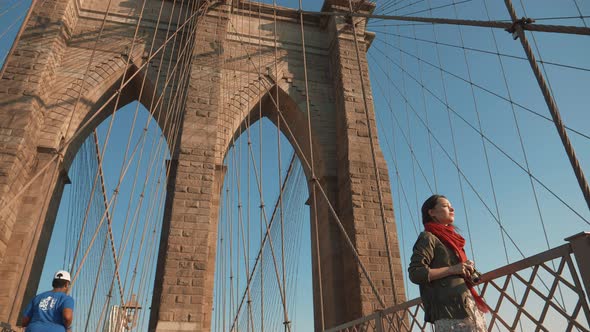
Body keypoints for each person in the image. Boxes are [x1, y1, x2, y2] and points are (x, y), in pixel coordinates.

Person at [408, 194, 488, 331]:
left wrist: (467, 270)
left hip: (469, 306)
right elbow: (415, 273)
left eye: (451, 206)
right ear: (431, 212)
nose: (452, 209)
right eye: (445, 206)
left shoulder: (453, 240)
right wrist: (453, 269)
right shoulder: (428, 237)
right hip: (450, 312)